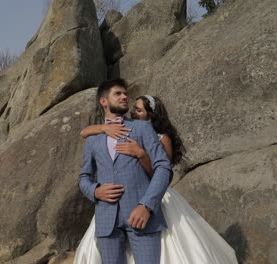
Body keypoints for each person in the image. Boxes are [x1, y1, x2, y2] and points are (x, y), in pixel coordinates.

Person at [74, 93, 238, 264]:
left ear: (150, 114)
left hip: (153, 194)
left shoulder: (162, 137)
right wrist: (104, 128)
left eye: (139, 110)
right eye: (133, 109)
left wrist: (141, 154)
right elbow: (84, 132)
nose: (133, 113)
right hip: (119, 203)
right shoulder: (126, 130)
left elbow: (161, 174)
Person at [78, 79, 172, 264]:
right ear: (103, 101)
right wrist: (95, 191)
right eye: (118, 93)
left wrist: (146, 206)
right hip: (107, 221)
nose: (124, 96)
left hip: (141, 217)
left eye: (125, 93)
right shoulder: (93, 139)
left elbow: (163, 167)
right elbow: (84, 177)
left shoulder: (143, 128)